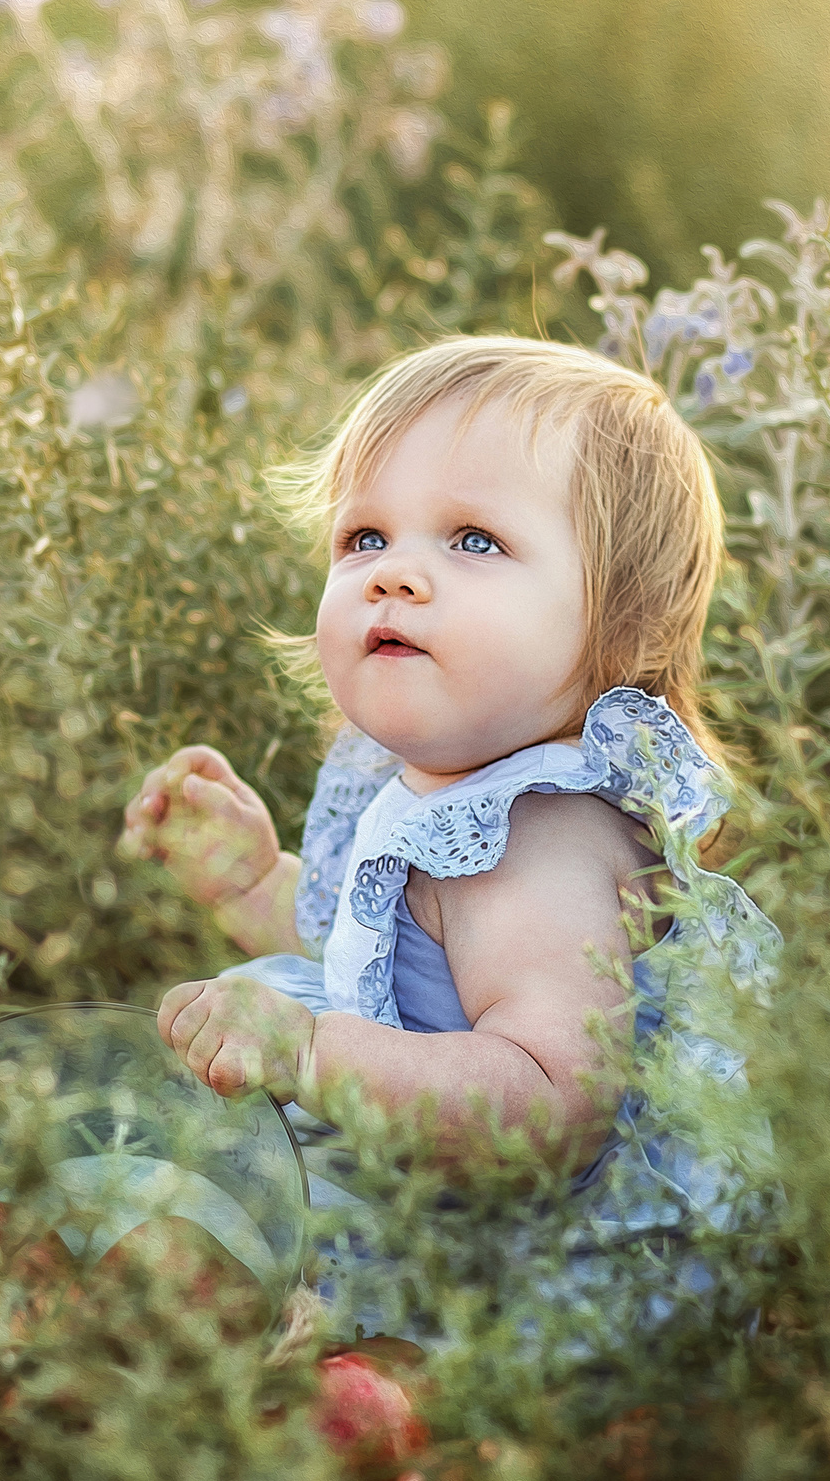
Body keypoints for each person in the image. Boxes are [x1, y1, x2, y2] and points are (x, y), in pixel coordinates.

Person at [119, 335, 777, 1347]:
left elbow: (549, 1105)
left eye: (473, 541)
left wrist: (305, 1049)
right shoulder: (446, 792)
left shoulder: (537, 846)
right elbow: (385, 961)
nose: (395, 576)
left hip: (513, 1268)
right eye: (363, 539)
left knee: (188, 1233)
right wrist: (252, 878)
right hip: (435, 1201)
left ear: (627, 627)